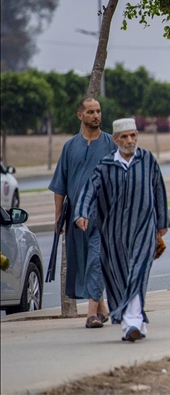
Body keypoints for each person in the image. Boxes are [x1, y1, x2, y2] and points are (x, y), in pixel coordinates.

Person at [74, 118, 169, 342]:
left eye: (133, 135)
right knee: (119, 277)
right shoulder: (106, 164)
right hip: (114, 233)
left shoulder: (147, 160)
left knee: (138, 273)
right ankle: (133, 324)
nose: (130, 140)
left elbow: (158, 189)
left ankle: (133, 322)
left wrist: (162, 221)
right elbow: (90, 189)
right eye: (124, 137)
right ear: (116, 139)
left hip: (144, 228)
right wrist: (81, 213)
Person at [49, 97, 115, 328]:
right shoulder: (70, 146)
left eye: (98, 111)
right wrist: (59, 216)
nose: (96, 115)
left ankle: (91, 314)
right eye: (90, 112)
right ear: (80, 115)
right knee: (85, 261)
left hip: (104, 216)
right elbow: (60, 184)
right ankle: (102, 309)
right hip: (76, 218)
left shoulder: (110, 143)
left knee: (97, 260)